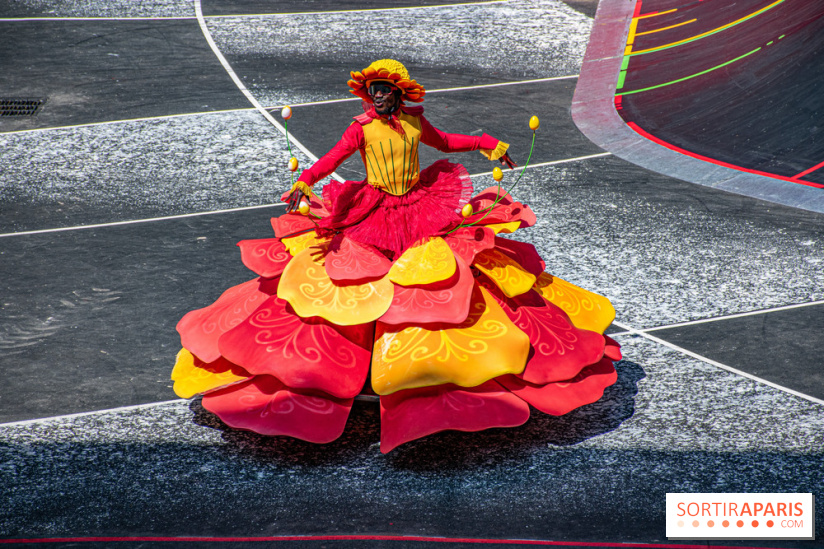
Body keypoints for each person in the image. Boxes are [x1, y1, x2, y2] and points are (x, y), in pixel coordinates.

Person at [171, 59, 621, 453]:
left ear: (400, 94)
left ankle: (425, 366)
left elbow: (444, 142)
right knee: (366, 280)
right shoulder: (360, 128)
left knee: (428, 278)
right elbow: (331, 159)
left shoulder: (412, 123)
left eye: (386, 91)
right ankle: (365, 363)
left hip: (420, 204)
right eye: (374, 92)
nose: (380, 97)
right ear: (368, 96)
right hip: (376, 207)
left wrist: (485, 142)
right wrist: (306, 180)